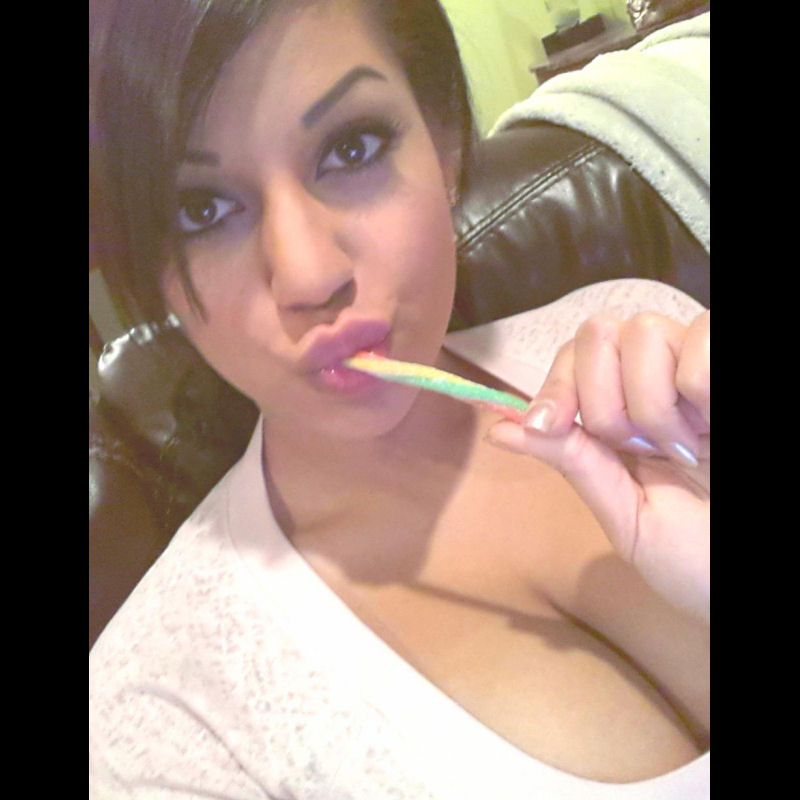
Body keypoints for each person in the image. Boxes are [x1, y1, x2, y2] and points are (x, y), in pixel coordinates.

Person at [89, 0, 710, 797]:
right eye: (201, 210)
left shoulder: (640, 336)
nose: (311, 276)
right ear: (156, 273)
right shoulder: (159, 727)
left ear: (444, 145)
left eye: (351, 147)